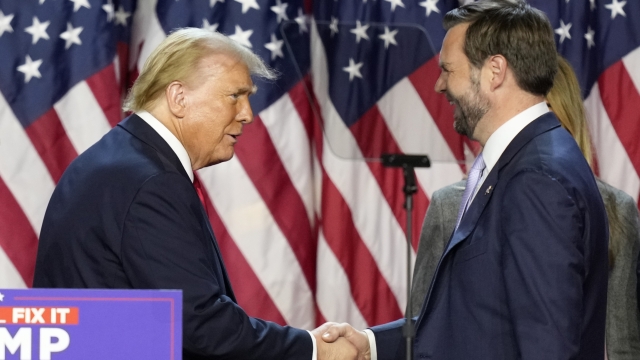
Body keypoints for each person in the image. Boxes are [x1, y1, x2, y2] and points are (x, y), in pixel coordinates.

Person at [33, 28, 357, 360]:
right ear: (178, 97)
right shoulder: (151, 182)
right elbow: (200, 325)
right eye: (234, 95)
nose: (247, 113)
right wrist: (315, 349)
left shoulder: (120, 158)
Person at [321, 1, 609, 359]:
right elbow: (478, 318)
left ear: (495, 71)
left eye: (448, 69)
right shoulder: (527, 160)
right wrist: (373, 343)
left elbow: (546, 344)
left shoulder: (536, 178)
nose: (440, 85)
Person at [409, 55, 640, 359]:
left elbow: (622, 342)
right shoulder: (451, 206)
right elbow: (426, 330)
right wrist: (371, 343)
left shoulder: (614, 209)